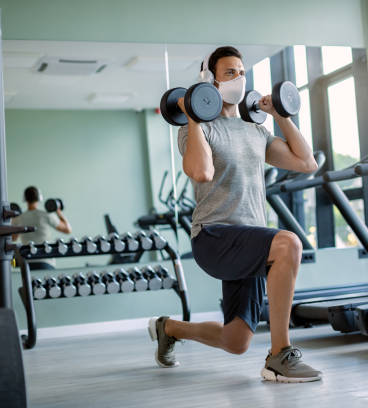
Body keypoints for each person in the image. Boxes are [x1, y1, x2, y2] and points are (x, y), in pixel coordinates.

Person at [148, 46, 321, 383]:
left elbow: (306, 163)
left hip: (251, 241)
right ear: (209, 82)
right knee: (288, 243)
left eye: (242, 72)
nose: (239, 79)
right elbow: (200, 172)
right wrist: (195, 116)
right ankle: (279, 356)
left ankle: (168, 328)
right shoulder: (197, 130)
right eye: (230, 73)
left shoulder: (255, 131)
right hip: (214, 237)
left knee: (237, 341)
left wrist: (281, 116)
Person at [12, 186, 72, 270]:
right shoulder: (46, 215)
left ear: (25, 199)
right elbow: (68, 230)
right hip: (45, 261)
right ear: (39, 198)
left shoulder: (18, 218)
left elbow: (13, 238)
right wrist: (58, 212)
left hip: (26, 263)